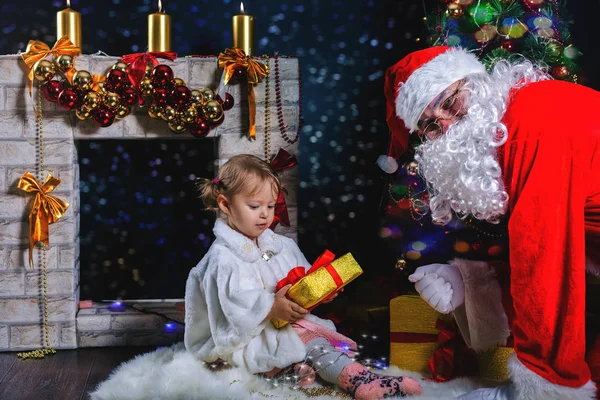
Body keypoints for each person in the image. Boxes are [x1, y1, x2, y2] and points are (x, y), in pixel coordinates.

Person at [381, 45, 600, 399]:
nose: (448, 125)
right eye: (431, 126)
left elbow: (544, 258)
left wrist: (547, 382)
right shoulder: (514, 120)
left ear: (475, 83)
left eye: (450, 103)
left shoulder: (533, 126)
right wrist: (470, 279)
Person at [184, 154, 422, 399]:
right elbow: (233, 306)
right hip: (246, 338)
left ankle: (292, 372)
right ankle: (358, 380)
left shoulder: (279, 245)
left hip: (283, 325)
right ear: (225, 205)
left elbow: (301, 279)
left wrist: (321, 290)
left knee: (315, 340)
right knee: (311, 344)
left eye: (270, 206)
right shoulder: (223, 259)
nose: (265, 215)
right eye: (255, 207)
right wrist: (270, 307)